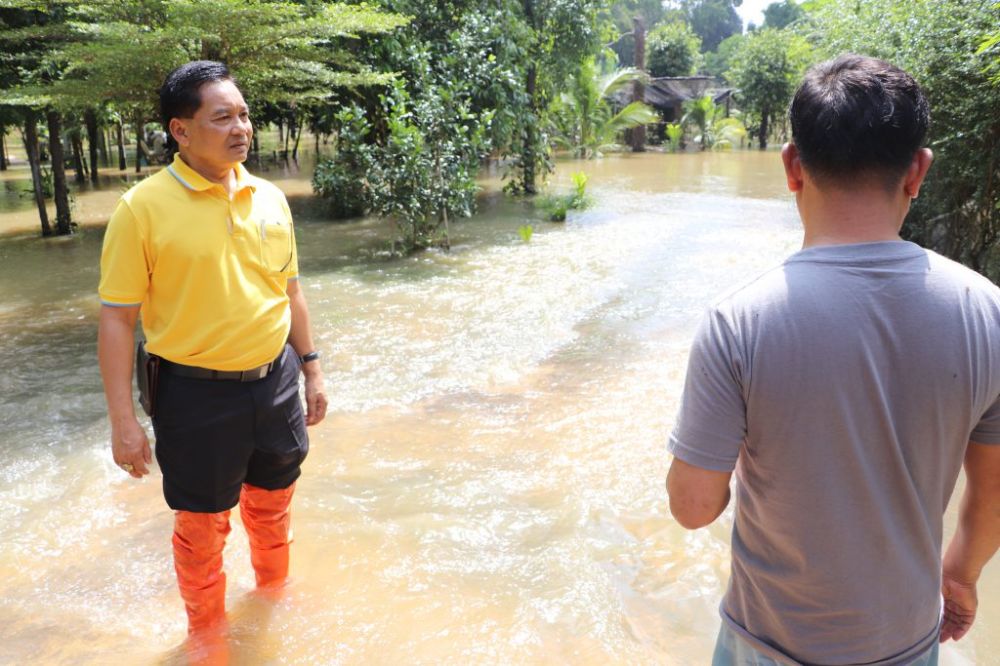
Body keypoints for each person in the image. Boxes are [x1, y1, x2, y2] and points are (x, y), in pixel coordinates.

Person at [666, 54, 1000, 665]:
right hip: (905, 645)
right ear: (918, 172)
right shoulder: (988, 313)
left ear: (792, 167)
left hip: (766, 646)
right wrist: (961, 573)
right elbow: (995, 482)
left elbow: (693, 508)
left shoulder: (738, 320)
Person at [97, 60, 328, 639]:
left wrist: (312, 370)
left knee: (274, 507)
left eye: (244, 114)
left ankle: (273, 606)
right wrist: (123, 422)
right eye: (221, 116)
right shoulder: (142, 209)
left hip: (275, 381)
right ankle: (208, 643)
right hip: (195, 396)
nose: (240, 128)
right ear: (181, 130)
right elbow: (118, 320)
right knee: (202, 529)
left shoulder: (270, 198)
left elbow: (290, 290)